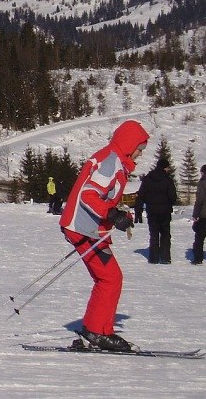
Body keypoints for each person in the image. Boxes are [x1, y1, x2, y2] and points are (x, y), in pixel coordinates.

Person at [59, 119, 149, 352]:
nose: (140, 155)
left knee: (109, 278)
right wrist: (110, 212)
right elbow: (90, 194)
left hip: (88, 228)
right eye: (140, 149)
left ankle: (97, 330)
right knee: (110, 278)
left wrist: (117, 214)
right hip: (82, 229)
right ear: (130, 144)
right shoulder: (112, 161)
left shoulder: (114, 159)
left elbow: (102, 196)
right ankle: (97, 332)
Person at [134, 158, 177, 264]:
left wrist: (138, 210)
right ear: (165, 167)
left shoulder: (148, 179)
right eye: (167, 167)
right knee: (165, 234)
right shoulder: (168, 180)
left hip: (151, 211)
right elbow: (173, 197)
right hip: (165, 212)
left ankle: (153, 258)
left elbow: (141, 195)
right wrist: (169, 203)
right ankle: (165, 257)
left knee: (153, 234)